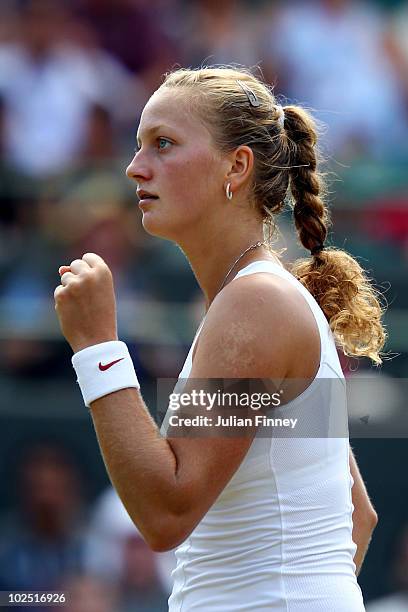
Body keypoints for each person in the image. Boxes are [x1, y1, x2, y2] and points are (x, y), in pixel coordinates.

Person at [54, 66, 384, 610]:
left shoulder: (256, 304)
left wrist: (97, 348)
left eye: (163, 144)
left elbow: (167, 513)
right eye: (139, 146)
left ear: (237, 165)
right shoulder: (261, 301)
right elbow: (359, 517)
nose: (136, 168)